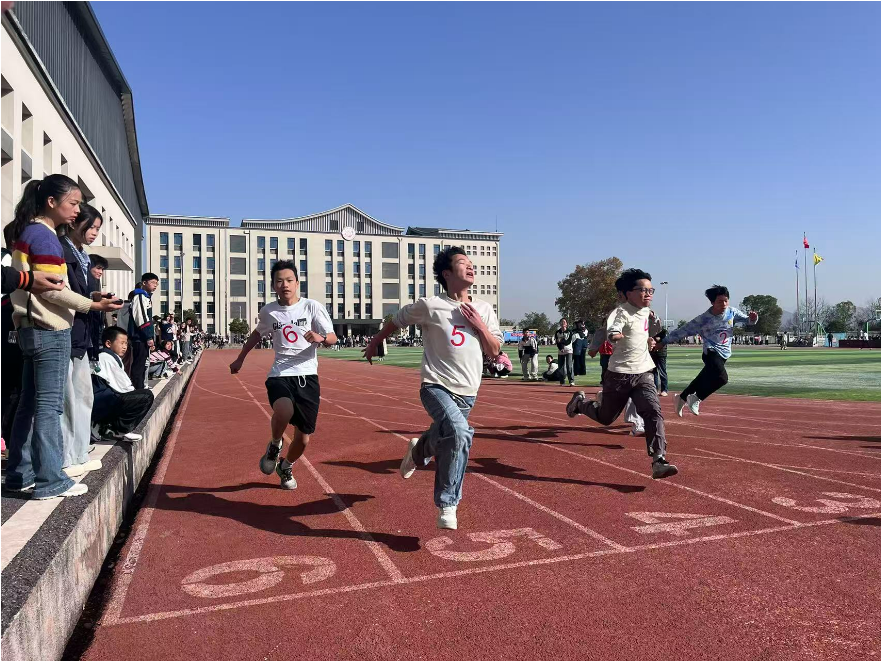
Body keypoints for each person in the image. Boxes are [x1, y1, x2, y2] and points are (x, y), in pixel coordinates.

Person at [364, 246, 502, 530]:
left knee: (447, 435)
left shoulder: (485, 309)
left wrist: (479, 326)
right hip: (435, 385)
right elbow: (397, 319)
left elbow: (494, 349)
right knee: (460, 432)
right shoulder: (430, 305)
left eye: (471, 263)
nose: (471, 267)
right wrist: (376, 341)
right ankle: (448, 502)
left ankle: (418, 451)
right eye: (463, 263)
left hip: (468, 391)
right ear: (447, 274)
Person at [5, 175, 120, 499]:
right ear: (52, 202)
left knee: (30, 403)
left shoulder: (28, 232)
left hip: (30, 326)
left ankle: (20, 472)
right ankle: (50, 479)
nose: (77, 211)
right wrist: (92, 304)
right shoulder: (44, 237)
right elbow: (54, 291)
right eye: (73, 203)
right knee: (49, 406)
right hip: (50, 328)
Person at [229, 260, 336, 490]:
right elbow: (257, 335)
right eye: (279, 281)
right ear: (273, 285)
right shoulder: (269, 311)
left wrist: (321, 338)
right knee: (284, 409)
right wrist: (240, 358)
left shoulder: (312, 307)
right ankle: (275, 444)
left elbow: (332, 337)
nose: (284, 285)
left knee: (303, 438)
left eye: (289, 280)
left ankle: (286, 466)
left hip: (308, 376)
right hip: (280, 373)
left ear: (297, 283)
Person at [565, 268, 677, 479]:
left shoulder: (647, 312)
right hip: (618, 374)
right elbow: (613, 329)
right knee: (606, 418)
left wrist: (650, 339)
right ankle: (580, 404)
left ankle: (659, 460)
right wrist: (614, 335)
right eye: (642, 290)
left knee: (653, 413)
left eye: (651, 290)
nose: (649, 294)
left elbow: (646, 332)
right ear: (625, 294)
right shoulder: (620, 312)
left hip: (644, 372)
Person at [59, 203, 112, 477]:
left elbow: (82, 294)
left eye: (98, 229)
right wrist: (94, 305)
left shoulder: (82, 256)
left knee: (83, 395)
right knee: (67, 399)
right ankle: (67, 458)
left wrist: (99, 299)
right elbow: (62, 294)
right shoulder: (63, 250)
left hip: (82, 335)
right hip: (67, 332)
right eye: (92, 227)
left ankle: (79, 453)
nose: (94, 233)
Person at [662, 285, 758, 416]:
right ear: (712, 302)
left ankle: (682, 397)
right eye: (720, 301)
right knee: (722, 379)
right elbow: (683, 330)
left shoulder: (732, 312)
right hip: (711, 352)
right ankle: (696, 398)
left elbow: (748, 321)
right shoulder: (704, 319)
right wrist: (663, 341)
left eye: (726, 300)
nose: (724, 304)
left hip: (724, 353)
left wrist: (752, 318)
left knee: (702, 378)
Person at [92, 327, 154, 441]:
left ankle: (107, 426)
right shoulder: (107, 358)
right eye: (121, 343)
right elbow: (125, 387)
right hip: (100, 404)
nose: (125, 347)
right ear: (108, 343)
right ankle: (118, 430)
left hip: (100, 403)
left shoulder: (105, 356)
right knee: (146, 396)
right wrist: (137, 398)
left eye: (126, 343)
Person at [127, 274, 158, 389]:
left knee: (143, 364)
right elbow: (141, 318)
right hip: (140, 337)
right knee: (138, 365)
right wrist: (149, 337)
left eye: (157, 283)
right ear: (144, 283)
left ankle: (140, 386)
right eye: (153, 282)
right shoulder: (140, 295)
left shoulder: (146, 297)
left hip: (142, 337)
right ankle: (137, 388)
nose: (155, 285)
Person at [87, 254, 110, 361]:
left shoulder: (95, 282)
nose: (101, 272)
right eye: (98, 268)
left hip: (96, 326)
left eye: (102, 269)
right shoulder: (86, 281)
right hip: (86, 330)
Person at [649, 311, 668, 396]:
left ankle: (664, 390)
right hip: (652, 351)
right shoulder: (650, 331)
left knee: (662, 371)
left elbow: (662, 340)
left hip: (661, 352)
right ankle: (655, 389)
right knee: (653, 372)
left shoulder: (663, 332)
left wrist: (656, 339)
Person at [553, 318, 575, 386]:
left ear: (566, 324)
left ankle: (571, 380)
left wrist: (561, 340)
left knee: (569, 366)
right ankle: (562, 381)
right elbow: (557, 342)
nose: (563, 323)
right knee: (561, 367)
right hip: (561, 351)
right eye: (562, 322)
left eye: (564, 322)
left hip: (568, 350)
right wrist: (560, 348)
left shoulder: (569, 331)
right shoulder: (557, 332)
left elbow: (568, 341)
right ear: (560, 323)